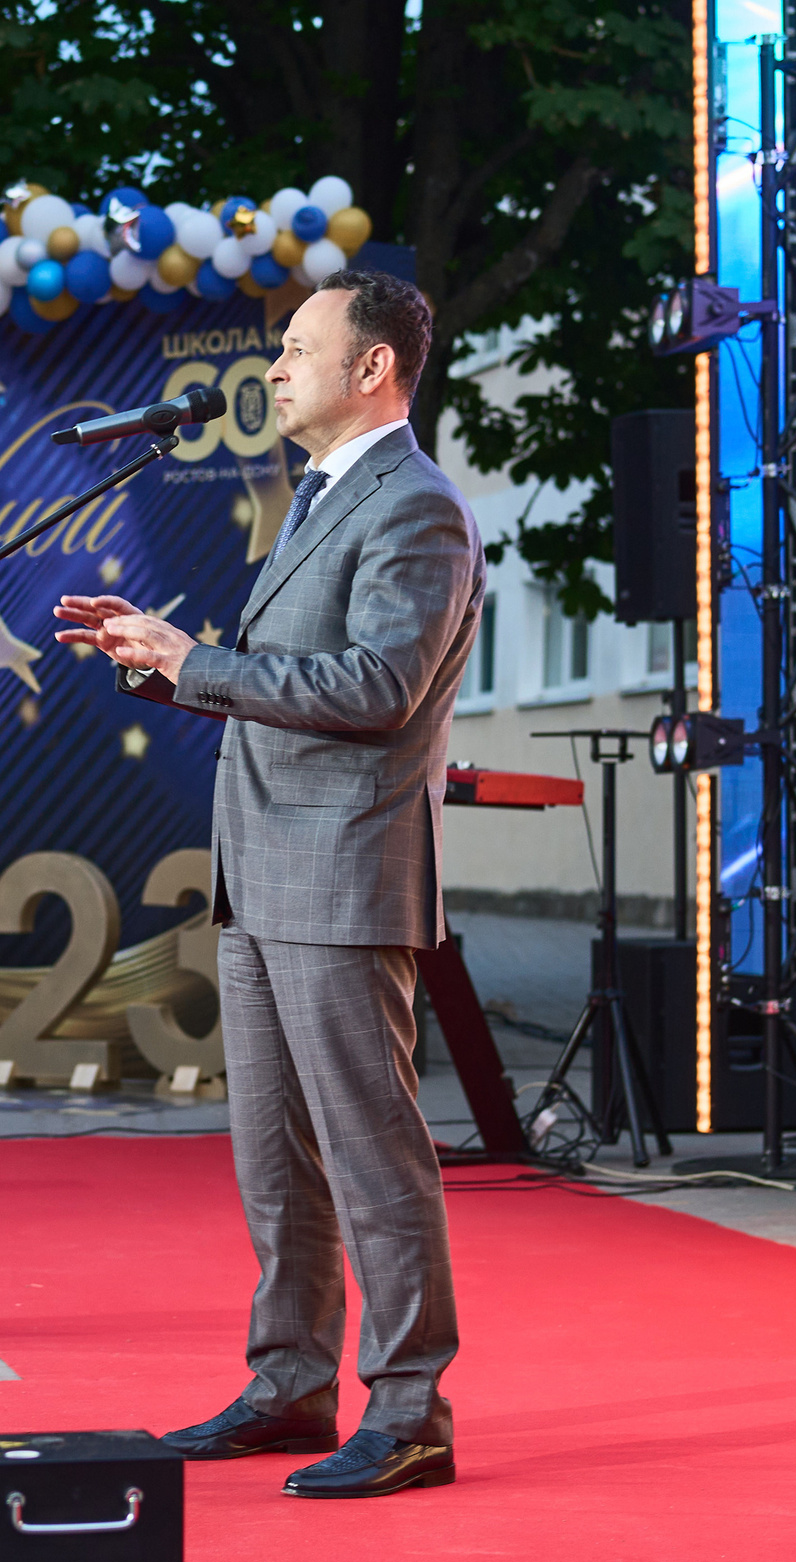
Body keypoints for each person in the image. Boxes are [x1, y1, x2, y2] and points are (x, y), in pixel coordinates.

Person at [52, 271, 483, 1500]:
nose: (274, 366)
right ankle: (289, 1380)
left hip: (343, 875)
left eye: (300, 347)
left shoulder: (417, 508)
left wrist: (204, 661)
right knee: (274, 1159)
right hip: (264, 869)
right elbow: (276, 679)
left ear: (373, 371)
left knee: (371, 1154)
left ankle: (407, 1410)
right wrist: (159, 665)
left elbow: (372, 691)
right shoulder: (322, 498)